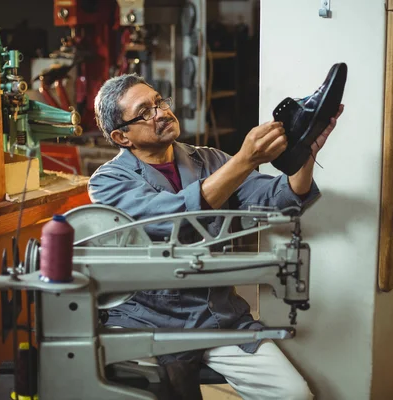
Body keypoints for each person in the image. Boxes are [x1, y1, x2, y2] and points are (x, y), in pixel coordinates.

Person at [88, 73, 344, 400]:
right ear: (122, 137)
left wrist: (304, 154)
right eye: (145, 112)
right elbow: (169, 219)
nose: (162, 112)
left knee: (294, 394)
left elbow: (279, 200)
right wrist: (244, 159)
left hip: (217, 316)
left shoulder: (209, 160)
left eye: (159, 102)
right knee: (141, 392)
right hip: (147, 320)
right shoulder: (107, 182)